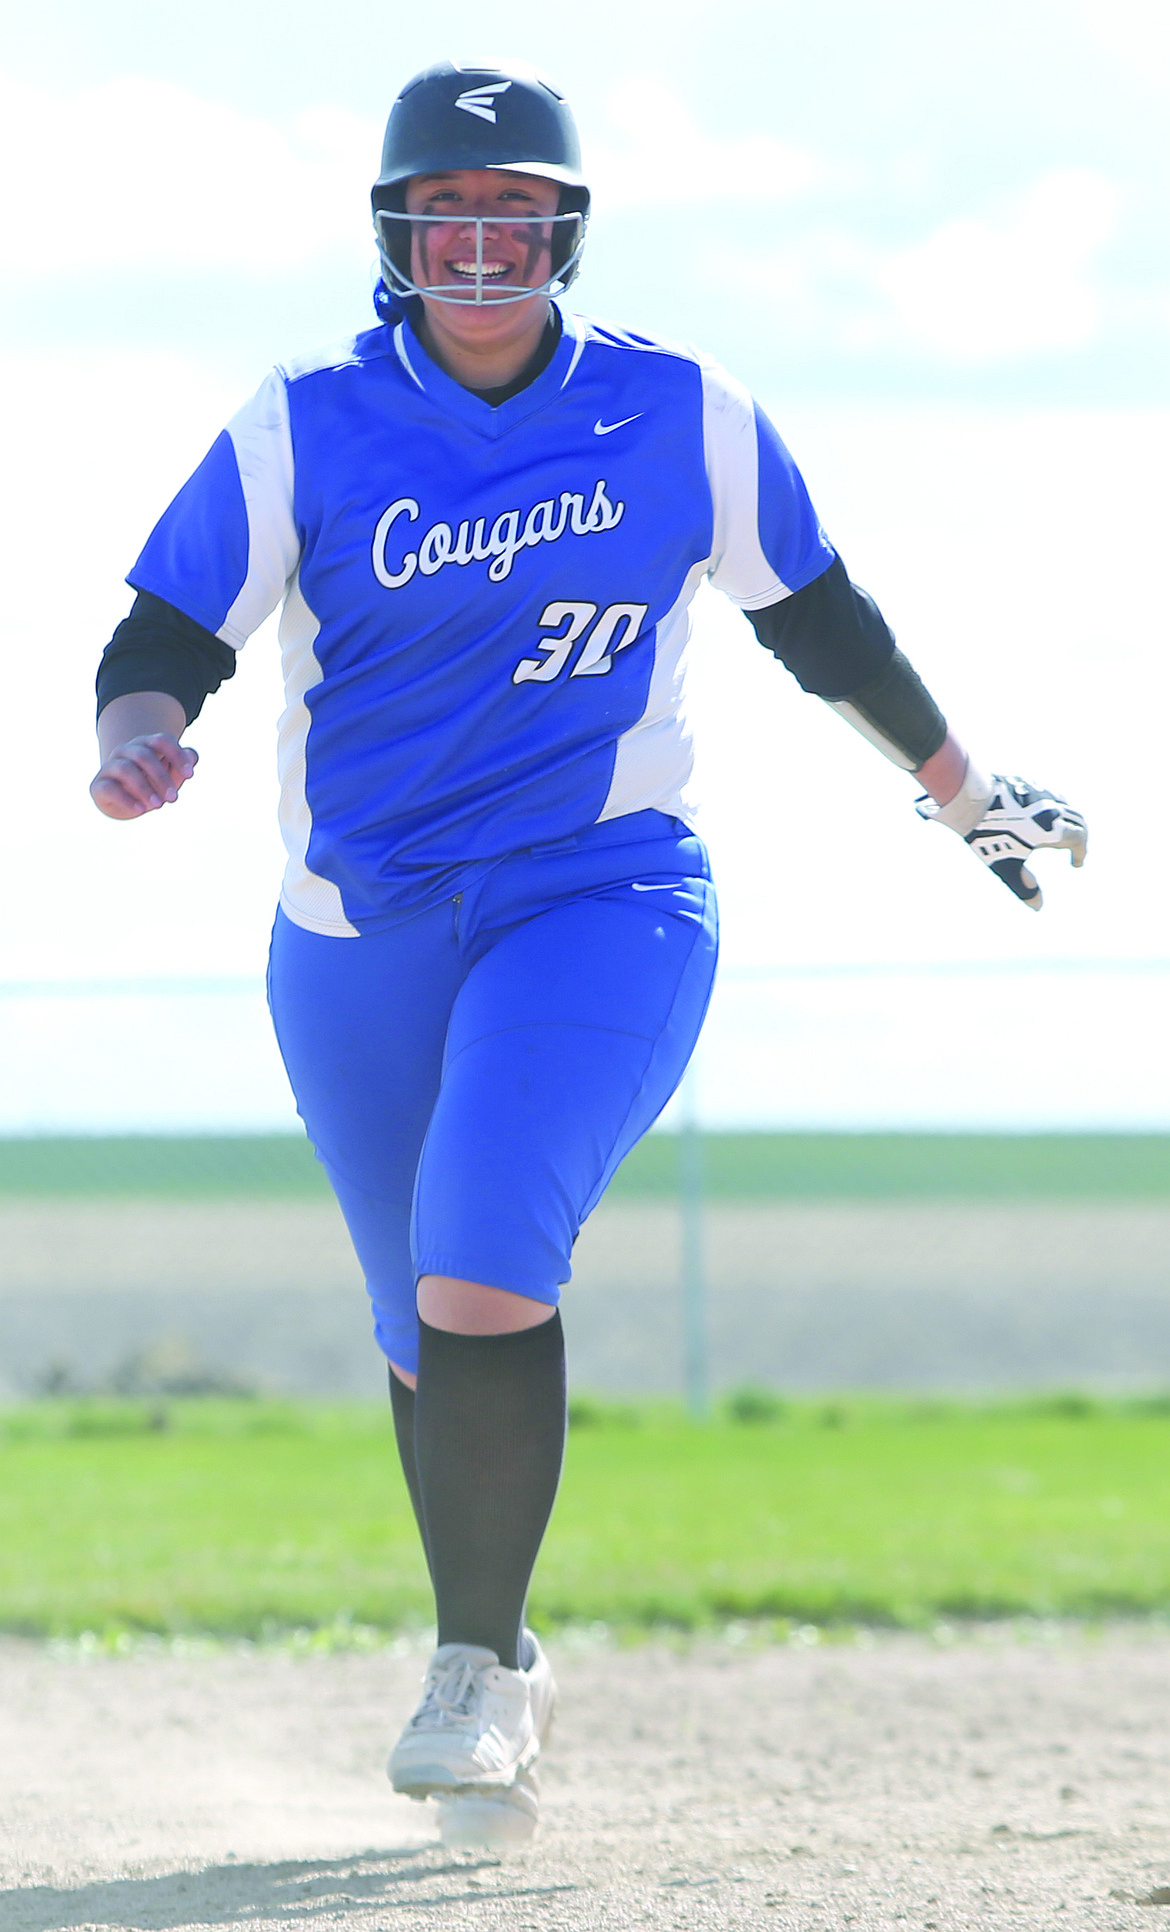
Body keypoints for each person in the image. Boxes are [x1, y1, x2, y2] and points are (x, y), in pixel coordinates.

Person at [90, 58, 1087, 1845]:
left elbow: (819, 621)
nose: (481, 242)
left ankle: (469, 1671)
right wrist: (137, 732)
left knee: (481, 1263)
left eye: (516, 214)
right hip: (356, 932)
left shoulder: (678, 411)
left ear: (562, 231)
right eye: (446, 216)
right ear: (397, 238)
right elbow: (165, 626)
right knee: (419, 1326)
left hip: (594, 895)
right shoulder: (307, 417)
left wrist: (960, 792)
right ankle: (510, 1661)